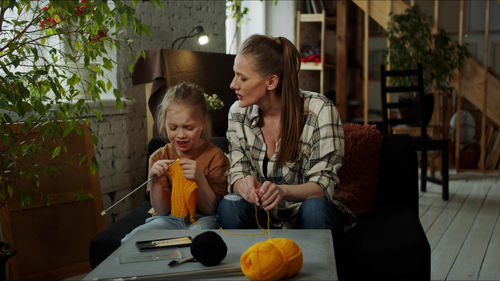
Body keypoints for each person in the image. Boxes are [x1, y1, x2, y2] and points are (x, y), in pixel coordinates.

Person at [217, 34, 355, 239]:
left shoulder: (319, 110)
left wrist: (283, 191)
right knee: (230, 205)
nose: (232, 84)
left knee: (315, 208)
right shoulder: (238, 112)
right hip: (261, 214)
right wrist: (243, 185)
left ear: (271, 82)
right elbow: (237, 171)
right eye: (234, 75)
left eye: (242, 78)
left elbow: (323, 185)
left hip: (305, 212)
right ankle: (248, 269)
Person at [121, 82, 229, 243]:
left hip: (202, 219)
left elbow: (211, 210)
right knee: (131, 241)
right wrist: (156, 182)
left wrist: (199, 179)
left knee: (199, 239)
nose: (180, 134)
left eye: (188, 127)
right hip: (168, 219)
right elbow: (162, 210)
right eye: (173, 127)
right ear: (164, 122)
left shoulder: (215, 157)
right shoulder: (159, 157)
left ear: (203, 123)